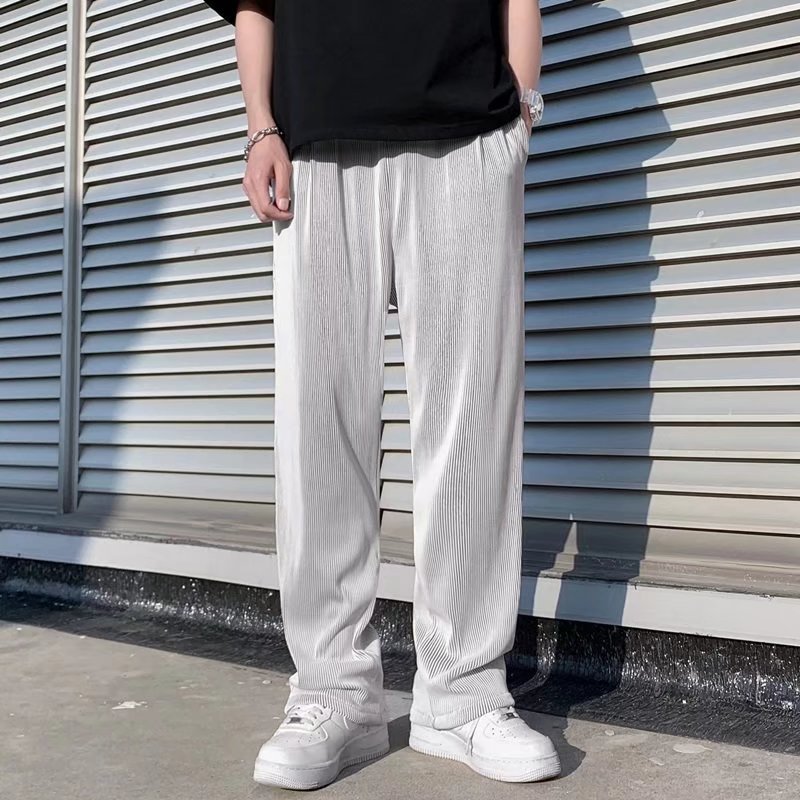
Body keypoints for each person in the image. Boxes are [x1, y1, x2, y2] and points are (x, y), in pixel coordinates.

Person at [202, 0, 559, 789]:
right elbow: (254, 1)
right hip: (316, 138)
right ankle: (335, 693)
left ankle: (462, 695)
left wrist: (519, 118)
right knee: (318, 426)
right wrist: (261, 126)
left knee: (471, 427)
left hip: (468, 128)